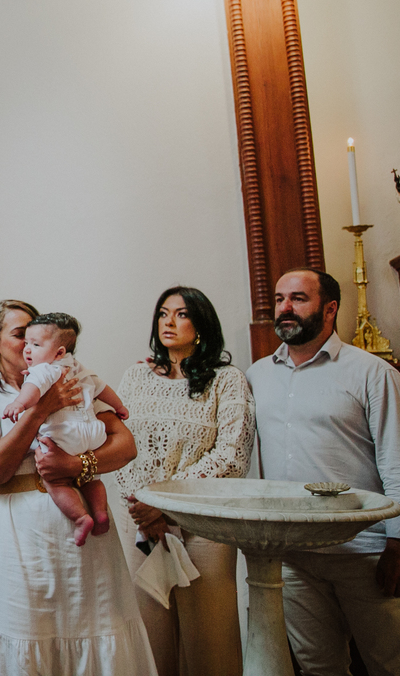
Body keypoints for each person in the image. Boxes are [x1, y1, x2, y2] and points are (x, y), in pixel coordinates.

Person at [0, 300, 157, 675]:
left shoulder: (71, 378)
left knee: (94, 629)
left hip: (86, 539)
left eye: (34, 335)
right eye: (18, 335)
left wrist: (77, 465)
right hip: (19, 537)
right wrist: (40, 410)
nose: (29, 343)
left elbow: (125, 444)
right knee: (26, 633)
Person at [248, 268, 400, 675]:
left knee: (397, 667)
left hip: (365, 550)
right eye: (279, 299)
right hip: (292, 552)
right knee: (317, 667)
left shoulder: (372, 373)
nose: (285, 309)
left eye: (297, 298)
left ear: (329, 309)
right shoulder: (257, 375)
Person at [113, 286, 254, 676]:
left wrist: (166, 502)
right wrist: (144, 507)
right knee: (149, 640)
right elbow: (119, 441)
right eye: (162, 313)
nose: (169, 322)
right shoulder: (136, 376)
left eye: (181, 314)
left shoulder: (227, 380)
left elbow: (231, 455)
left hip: (202, 524)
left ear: (202, 323)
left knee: (210, 641)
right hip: (140, 522)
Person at [2, 312, 131, 546]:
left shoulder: (45, 370)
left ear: (59, 352)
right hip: (93, 433)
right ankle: (100, 512)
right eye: (26, 343)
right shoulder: (79, 369)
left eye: (35, 344)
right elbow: (103, 388)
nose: (27, 349)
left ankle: (81, 518)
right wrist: (119, 406)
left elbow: (31, 392)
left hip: (63, 435)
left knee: (55, 480)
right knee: (91, 478)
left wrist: (18, 403)